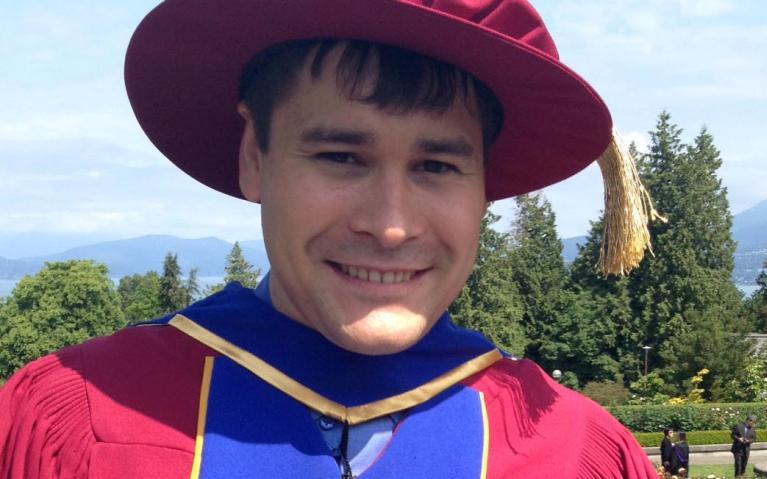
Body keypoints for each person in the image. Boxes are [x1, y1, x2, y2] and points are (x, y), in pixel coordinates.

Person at [0, 0, 660, 477]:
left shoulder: (571, 451)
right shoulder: (77, 420)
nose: (391, 223)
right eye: (341, 156)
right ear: (254, 155)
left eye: (436, 165)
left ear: (484, 187)